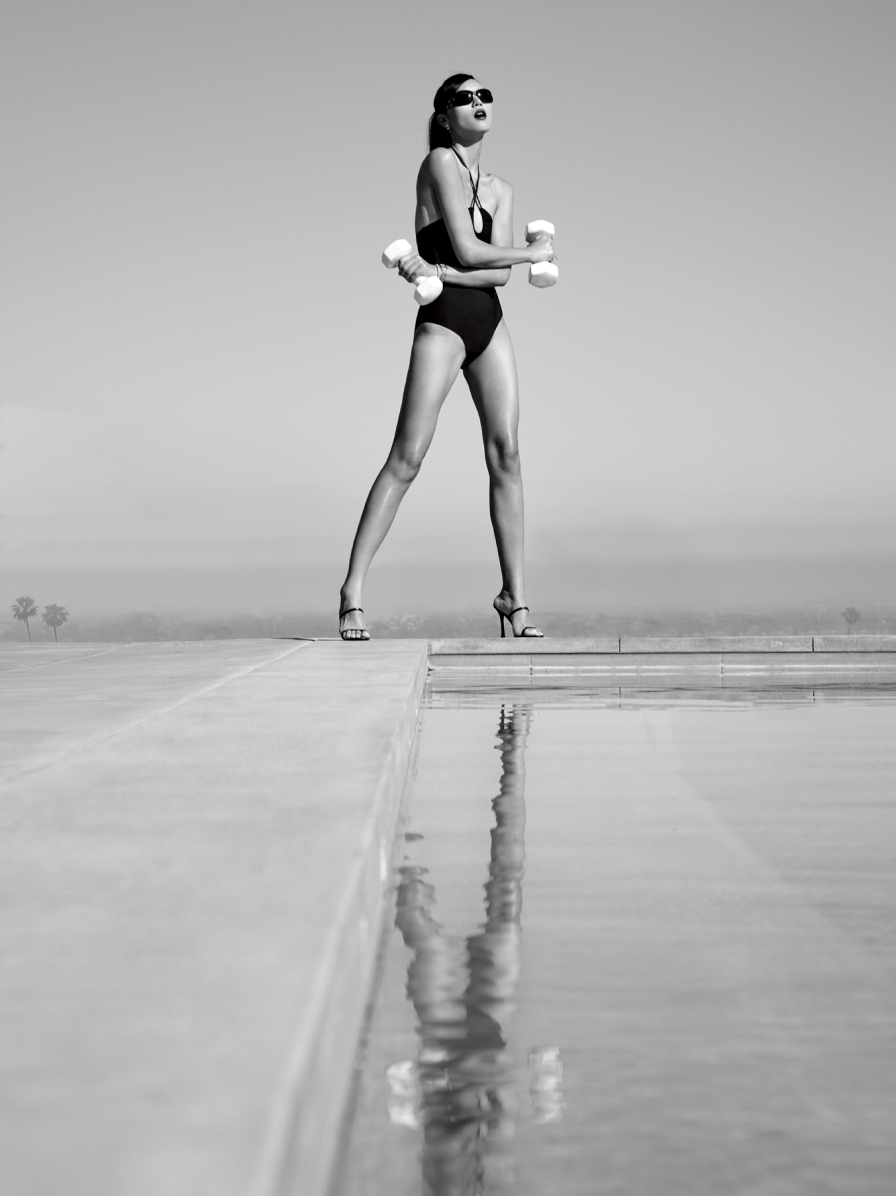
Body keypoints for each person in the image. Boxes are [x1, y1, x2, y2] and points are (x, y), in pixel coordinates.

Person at [338, 73, 556, 641]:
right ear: (444, 116)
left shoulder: (502, 187)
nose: (479, 103)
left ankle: (515, 597)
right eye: (465, 98)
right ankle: (352, 590)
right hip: (441, 323)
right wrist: (534, 252)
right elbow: (468, 248)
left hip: (488, 320)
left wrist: (457, 270)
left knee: (507, 454)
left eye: (487, 95)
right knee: (407, 456)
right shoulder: (438, 164)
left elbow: (498, 274)